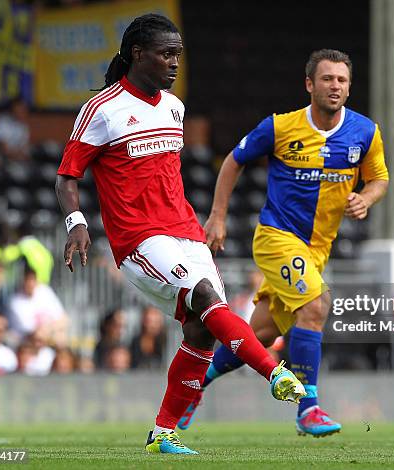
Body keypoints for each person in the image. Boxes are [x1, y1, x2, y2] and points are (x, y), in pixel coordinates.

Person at [54, 13, 305, 455]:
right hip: (139, 239)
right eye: (166, 54)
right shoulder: (103, 110)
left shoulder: (174, 107)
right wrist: (76, 223)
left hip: (185, 231)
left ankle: (163, 434)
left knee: (202, 330)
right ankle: (275, 372)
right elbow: (67, 176)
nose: (174, 63)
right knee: (206, 295)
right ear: (137, 53)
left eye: (178, 56)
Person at [180, 49, 389, 437]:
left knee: (258, 335)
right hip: (277, 238)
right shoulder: (280, 127)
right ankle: (308, 409)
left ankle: (192, 387)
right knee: (316, 304)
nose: (335, 86)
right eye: (327, 79)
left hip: (316, 251)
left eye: (342, 80)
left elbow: (378, 178)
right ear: (310, 84)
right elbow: (233, 160)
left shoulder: (365, 132)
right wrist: (218, 216)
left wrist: (367, 197)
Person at [130, 305, 167, 370]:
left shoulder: (166, 342)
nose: (152, 326)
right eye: (149, 321)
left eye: (155, 322)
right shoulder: (135, 342)